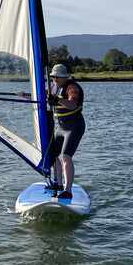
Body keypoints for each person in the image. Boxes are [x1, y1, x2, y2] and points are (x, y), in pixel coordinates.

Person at [46, 64, 85, 200]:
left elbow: (72, 104)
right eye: (53, 77)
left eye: (57, 77)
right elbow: (41, 96)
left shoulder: (72, 88)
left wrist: (57, 99)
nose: (54, 79)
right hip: (61, 128)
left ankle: (68, 190)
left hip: (74, 126)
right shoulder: (54, 87)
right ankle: (58, 184)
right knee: (53, 156)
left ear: (64, 77)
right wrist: (25, 96)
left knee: (66, 157)